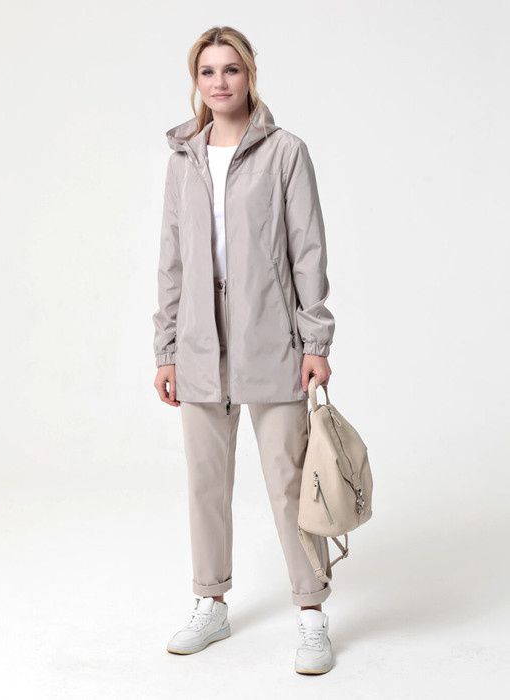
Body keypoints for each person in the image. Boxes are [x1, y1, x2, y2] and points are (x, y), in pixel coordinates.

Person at [152, 26, 336, 675]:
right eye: (207, 71)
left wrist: (314, 339)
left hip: (271, 340)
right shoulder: (183, 159)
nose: (219, 81)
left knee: (290, 481)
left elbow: (307, 251)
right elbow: (172, 260)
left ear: (249, 74)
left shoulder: (285, 152)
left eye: (230, 69)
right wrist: (166, 349)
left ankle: (310, 612)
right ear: (196, 81)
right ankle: (211, 602)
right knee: (205, 483)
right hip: (199, 345)